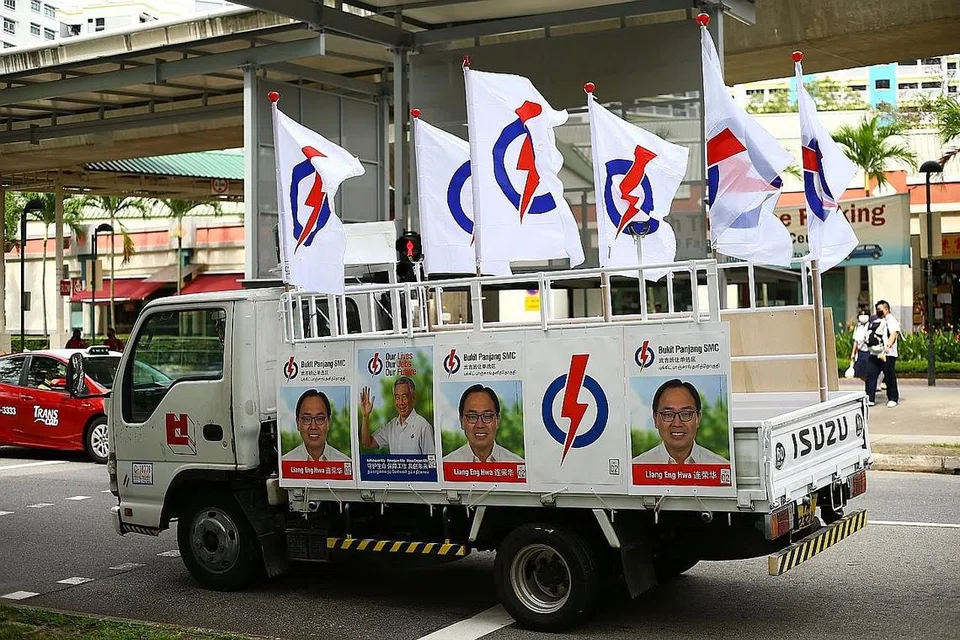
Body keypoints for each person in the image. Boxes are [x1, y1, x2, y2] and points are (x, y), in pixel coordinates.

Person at [632, 378, 728, 464]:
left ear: (698, 418)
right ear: (655, 419)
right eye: (668, 414)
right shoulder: (637, 467)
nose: (677, 423)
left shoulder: (720, 466)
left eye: (686, 414)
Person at [444, 384, 523, 463]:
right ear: (461, 421)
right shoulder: (445, 465)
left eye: (487, 416)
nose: (480, 425)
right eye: (472, 417)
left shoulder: (517, 464)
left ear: (497, 420)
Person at [360, 377, 435, 454]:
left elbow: (431, 462)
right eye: (397, 397)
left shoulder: (424, 426)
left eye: (404, 396)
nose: (401, 402)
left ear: (413, 397)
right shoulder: (391, 426)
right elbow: (367, 444)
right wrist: (365, 416)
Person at [283, 389, 349, 461]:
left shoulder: (344, 462)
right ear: (297, 423)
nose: (313, 427)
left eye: (320, 419)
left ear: (328, 423)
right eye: (307, 419)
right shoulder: (285, 462)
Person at [865, 300, 900, 408]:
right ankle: (869, 398)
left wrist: (888, 347)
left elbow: (894, 334)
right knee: (871, 375)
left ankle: (893, 398)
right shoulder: (876, 320)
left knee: (889, 376)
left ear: (886, 309)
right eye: (877, 310)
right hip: (875, 353)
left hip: (887, 354)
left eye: (880, 310)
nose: (878, 312)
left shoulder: (891, 320)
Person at [850, 309, 872, 380]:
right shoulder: (858, 327)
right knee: (860, 373)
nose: (863, 316)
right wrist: (853, 353)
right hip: (860, 352)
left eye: (864, 314)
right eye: (861, 315)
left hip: (868, 351)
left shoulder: (870, 326)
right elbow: (855, 341)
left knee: (868, 372)